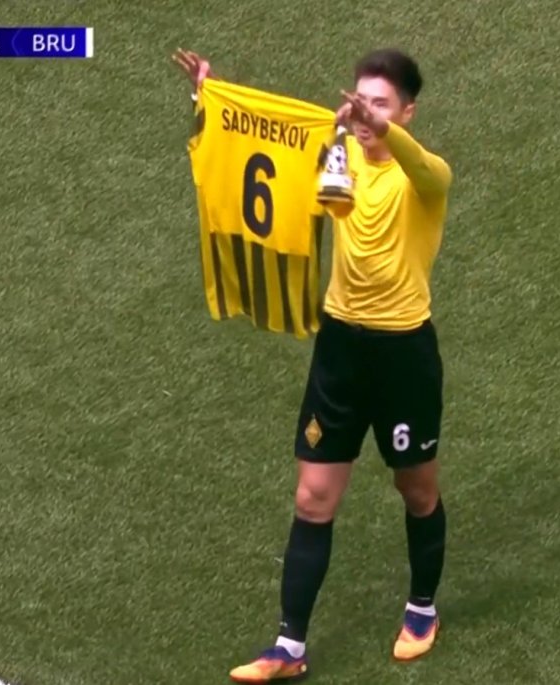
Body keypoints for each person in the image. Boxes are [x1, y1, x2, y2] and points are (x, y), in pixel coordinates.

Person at [174, 47, 453, 683]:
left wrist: (383, 134)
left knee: (416, 489)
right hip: (341, 351)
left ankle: (421, 608)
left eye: (381, 105)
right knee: (312, 497)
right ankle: (288, 646)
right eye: (361, 101)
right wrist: (210, 100)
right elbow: (261, 150)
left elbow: (426, 167)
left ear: (407, 112)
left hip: (404, 355)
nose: (365, 114)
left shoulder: (425, 176)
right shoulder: (335, 157)